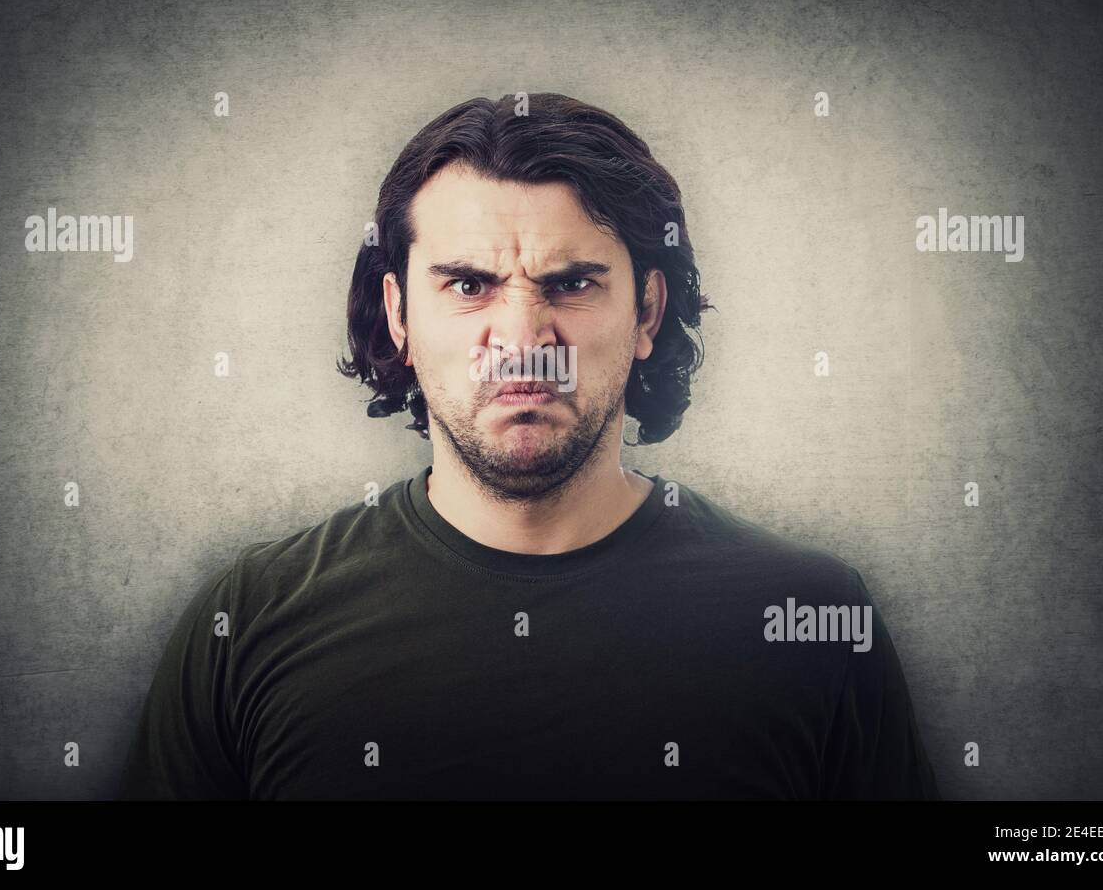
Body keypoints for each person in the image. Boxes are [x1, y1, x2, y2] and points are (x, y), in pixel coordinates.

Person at [120, 93, 940, 800]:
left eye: (572, 282)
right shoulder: (250, 622)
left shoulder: (810, 621)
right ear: (399, 314)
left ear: (648, 311)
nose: (521, 340)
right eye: (469, 285)